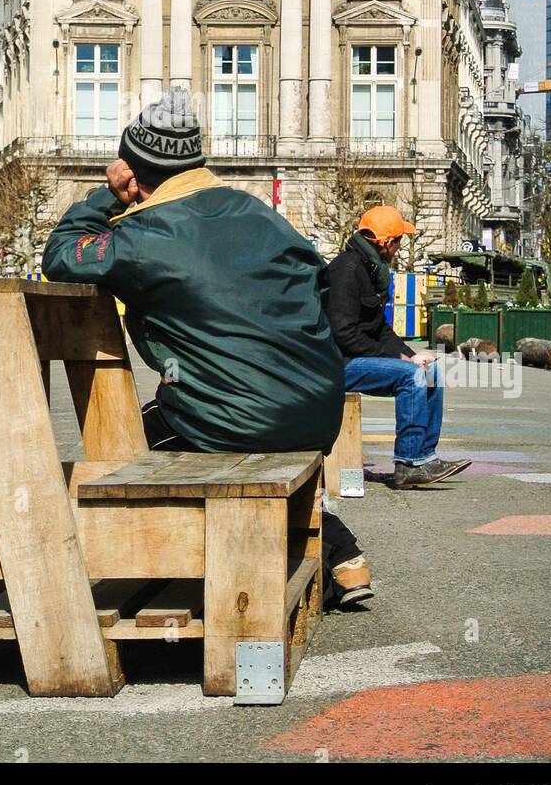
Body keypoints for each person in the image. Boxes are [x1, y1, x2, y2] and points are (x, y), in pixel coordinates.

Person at [43, 88, 373, 608]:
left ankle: (113, 566)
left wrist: (106, 197)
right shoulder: (263, 215)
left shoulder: (142, 235)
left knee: (132, 446)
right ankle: (340, 553)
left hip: (238, 419)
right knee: (210, 428)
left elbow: (61, 255)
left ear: (133, 174)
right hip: (318, 412)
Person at [325, 207, 472, 489]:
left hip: (356, 358)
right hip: (338, 364)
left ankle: (425, 457)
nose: (399, 249)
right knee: (412, 376)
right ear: (386, 243)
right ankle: (409, 463)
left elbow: (379, 328)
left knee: (429, 370)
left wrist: (412, 355)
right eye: (398, 242)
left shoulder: (368, 270)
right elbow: (343, 334)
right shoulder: (347, 270)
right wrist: (400, 360)